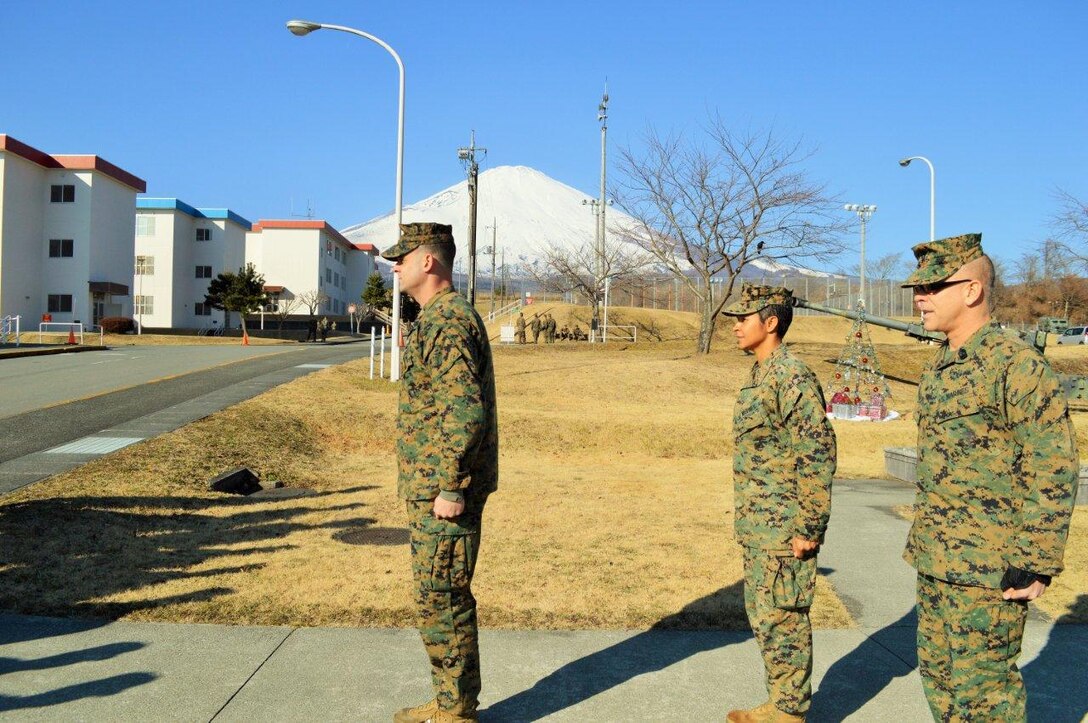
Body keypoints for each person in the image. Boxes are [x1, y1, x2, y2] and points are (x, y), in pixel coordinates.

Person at [900, 233, 1077, 721]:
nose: (920, 297)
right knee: (940, 683)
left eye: (934, 286)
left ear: (972, 290)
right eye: (918, 288)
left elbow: (1053, 462)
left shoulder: (1013, 364)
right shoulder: (943, 365)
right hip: (939, 558)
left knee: (986, 696)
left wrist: (1036, 558)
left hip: (990, 567)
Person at [382, 222, 499, 723]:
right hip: (432, 488)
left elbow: (463, 412)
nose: (395, 266)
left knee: (443, 597)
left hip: (444, 492)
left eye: (402, 257)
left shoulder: (448, 322)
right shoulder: (435, 319)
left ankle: (455, 712)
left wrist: (451, 485)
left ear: (427, 262)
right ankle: (451, 701)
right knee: (436, 596)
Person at [721, 283, 836, 723]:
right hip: (762, 526)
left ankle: (789, 711)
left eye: (742, 319)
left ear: (770, 323)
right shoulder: (761, 373)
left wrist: (809, 525)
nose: (734, 327)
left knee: (784, 619)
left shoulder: (790, 376)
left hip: (785, 528)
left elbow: (817, 450)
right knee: (767, 618)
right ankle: (782, 702)